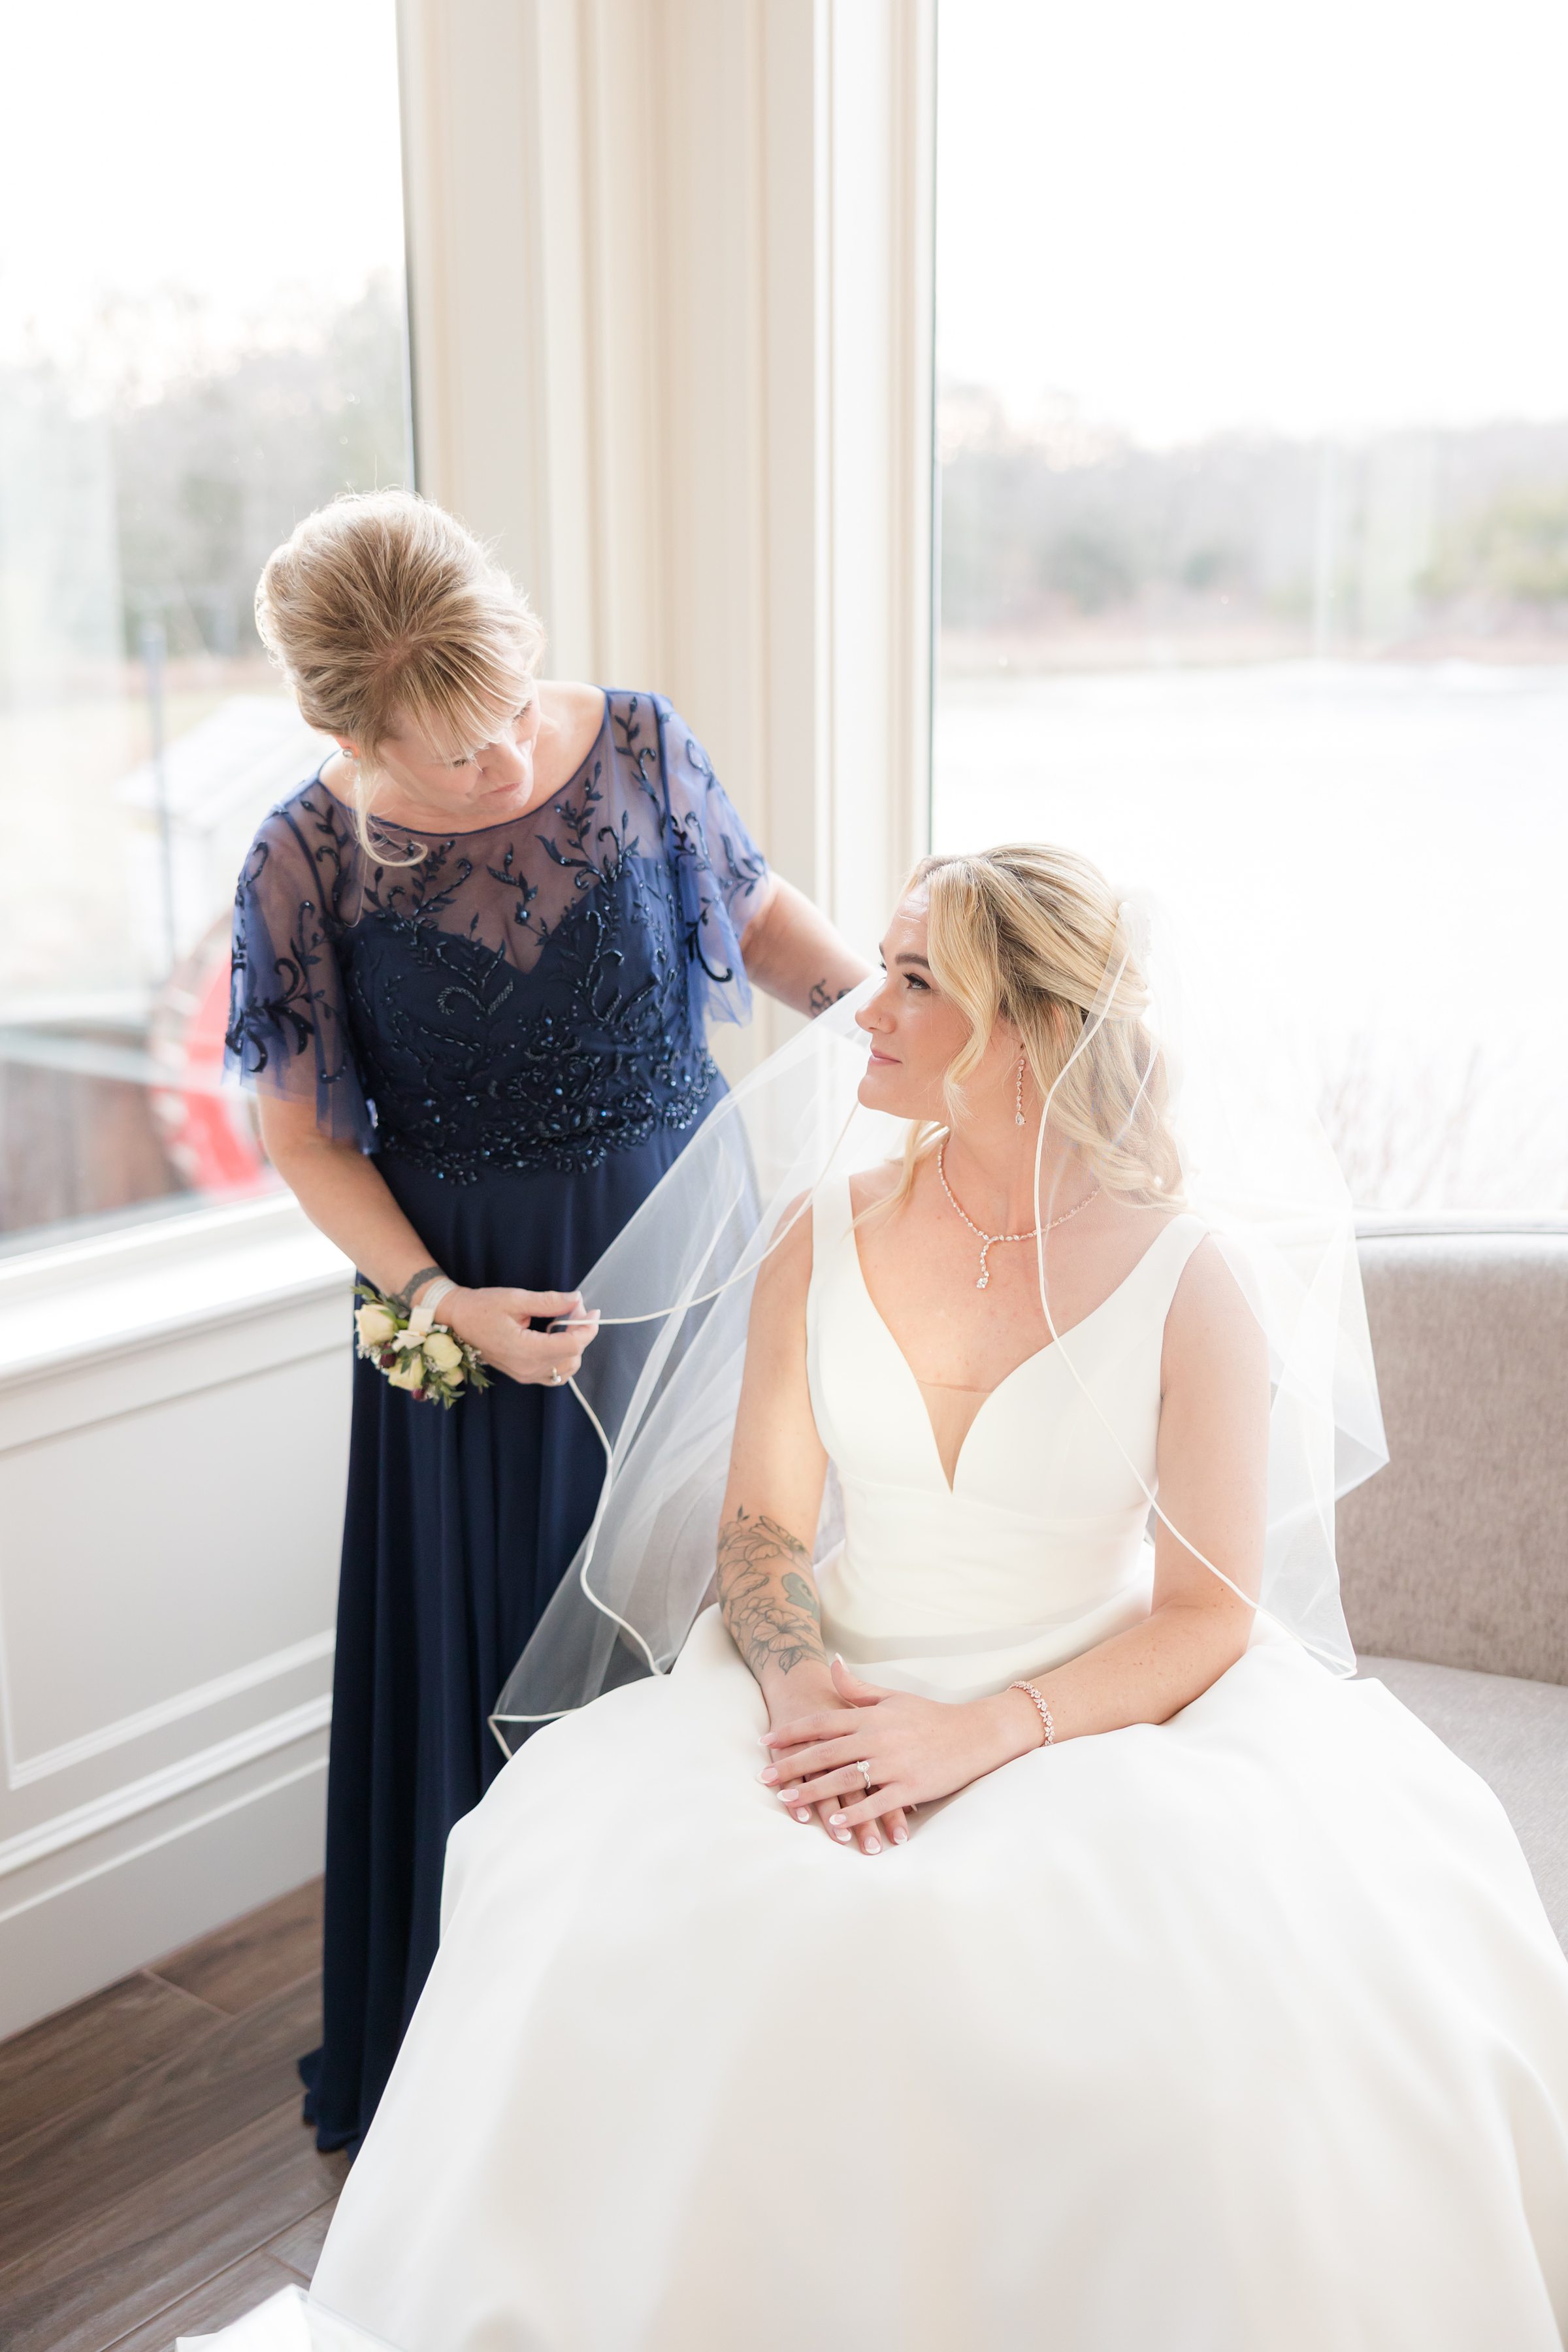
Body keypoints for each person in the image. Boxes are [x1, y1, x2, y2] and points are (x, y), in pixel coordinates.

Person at [204, 845, 1568, 2351]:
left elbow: (1203, 1617)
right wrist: (803, 1695)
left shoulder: (1196, 1280)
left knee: (1179, 2036)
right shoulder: (819, 1235)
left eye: (917, 982)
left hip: (1093, 1708)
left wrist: (975, 1736)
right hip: (834, 1685)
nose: (864, 1007)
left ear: (1036, 1028)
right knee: (590, 1910)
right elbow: (765, 1533)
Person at [224, 489, 866, 2155]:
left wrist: (925, 1029)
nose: (504, 761)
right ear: (346, 732)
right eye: (450, 752)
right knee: (519, 1675)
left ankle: (753, 2058)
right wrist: (441, 1302)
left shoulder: (643, 743)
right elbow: (302, 1137)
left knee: (727, 1639)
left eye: (511, 708)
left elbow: (784, 940)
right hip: (502, 1325)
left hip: (706, 1272)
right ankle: (529, 2094)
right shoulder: (297, 866)